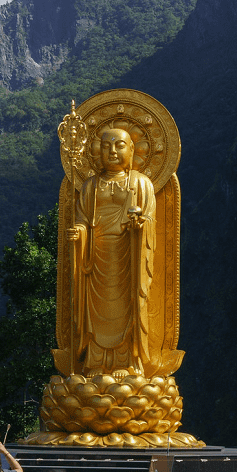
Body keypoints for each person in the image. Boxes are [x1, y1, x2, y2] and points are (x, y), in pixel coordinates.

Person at [66, 127, 157, 378]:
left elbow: (150, 220)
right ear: (98, 152)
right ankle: (96, 361)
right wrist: (78, 233)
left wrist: (140, 225)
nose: (112, 151)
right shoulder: (91, 186)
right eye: (106, 146)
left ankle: (126, 362)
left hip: (128, 257)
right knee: (95, 312)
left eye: (119, 145)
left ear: (133, 150)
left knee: (127, 308)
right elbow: (83, 220)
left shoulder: (141, 184)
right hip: (95, 259)